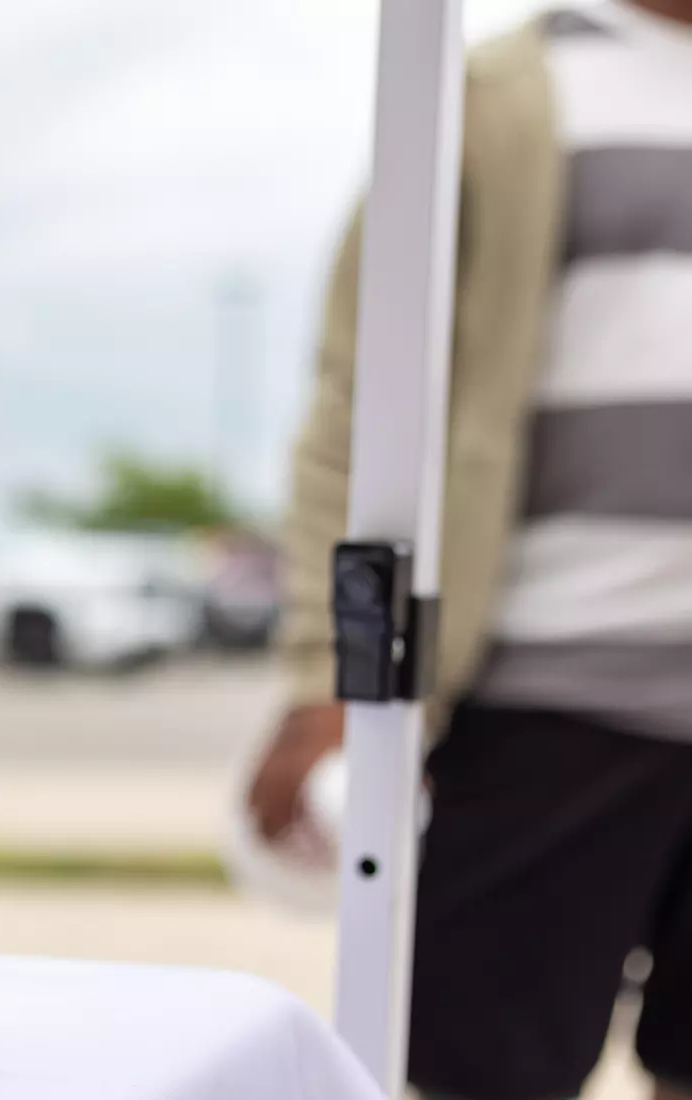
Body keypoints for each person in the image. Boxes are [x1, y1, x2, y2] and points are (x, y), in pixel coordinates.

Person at [248, 3, 692, 1098]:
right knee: (476, 1073)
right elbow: (364, 403)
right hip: (550, 692)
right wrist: (326, 673)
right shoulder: (493, 98)